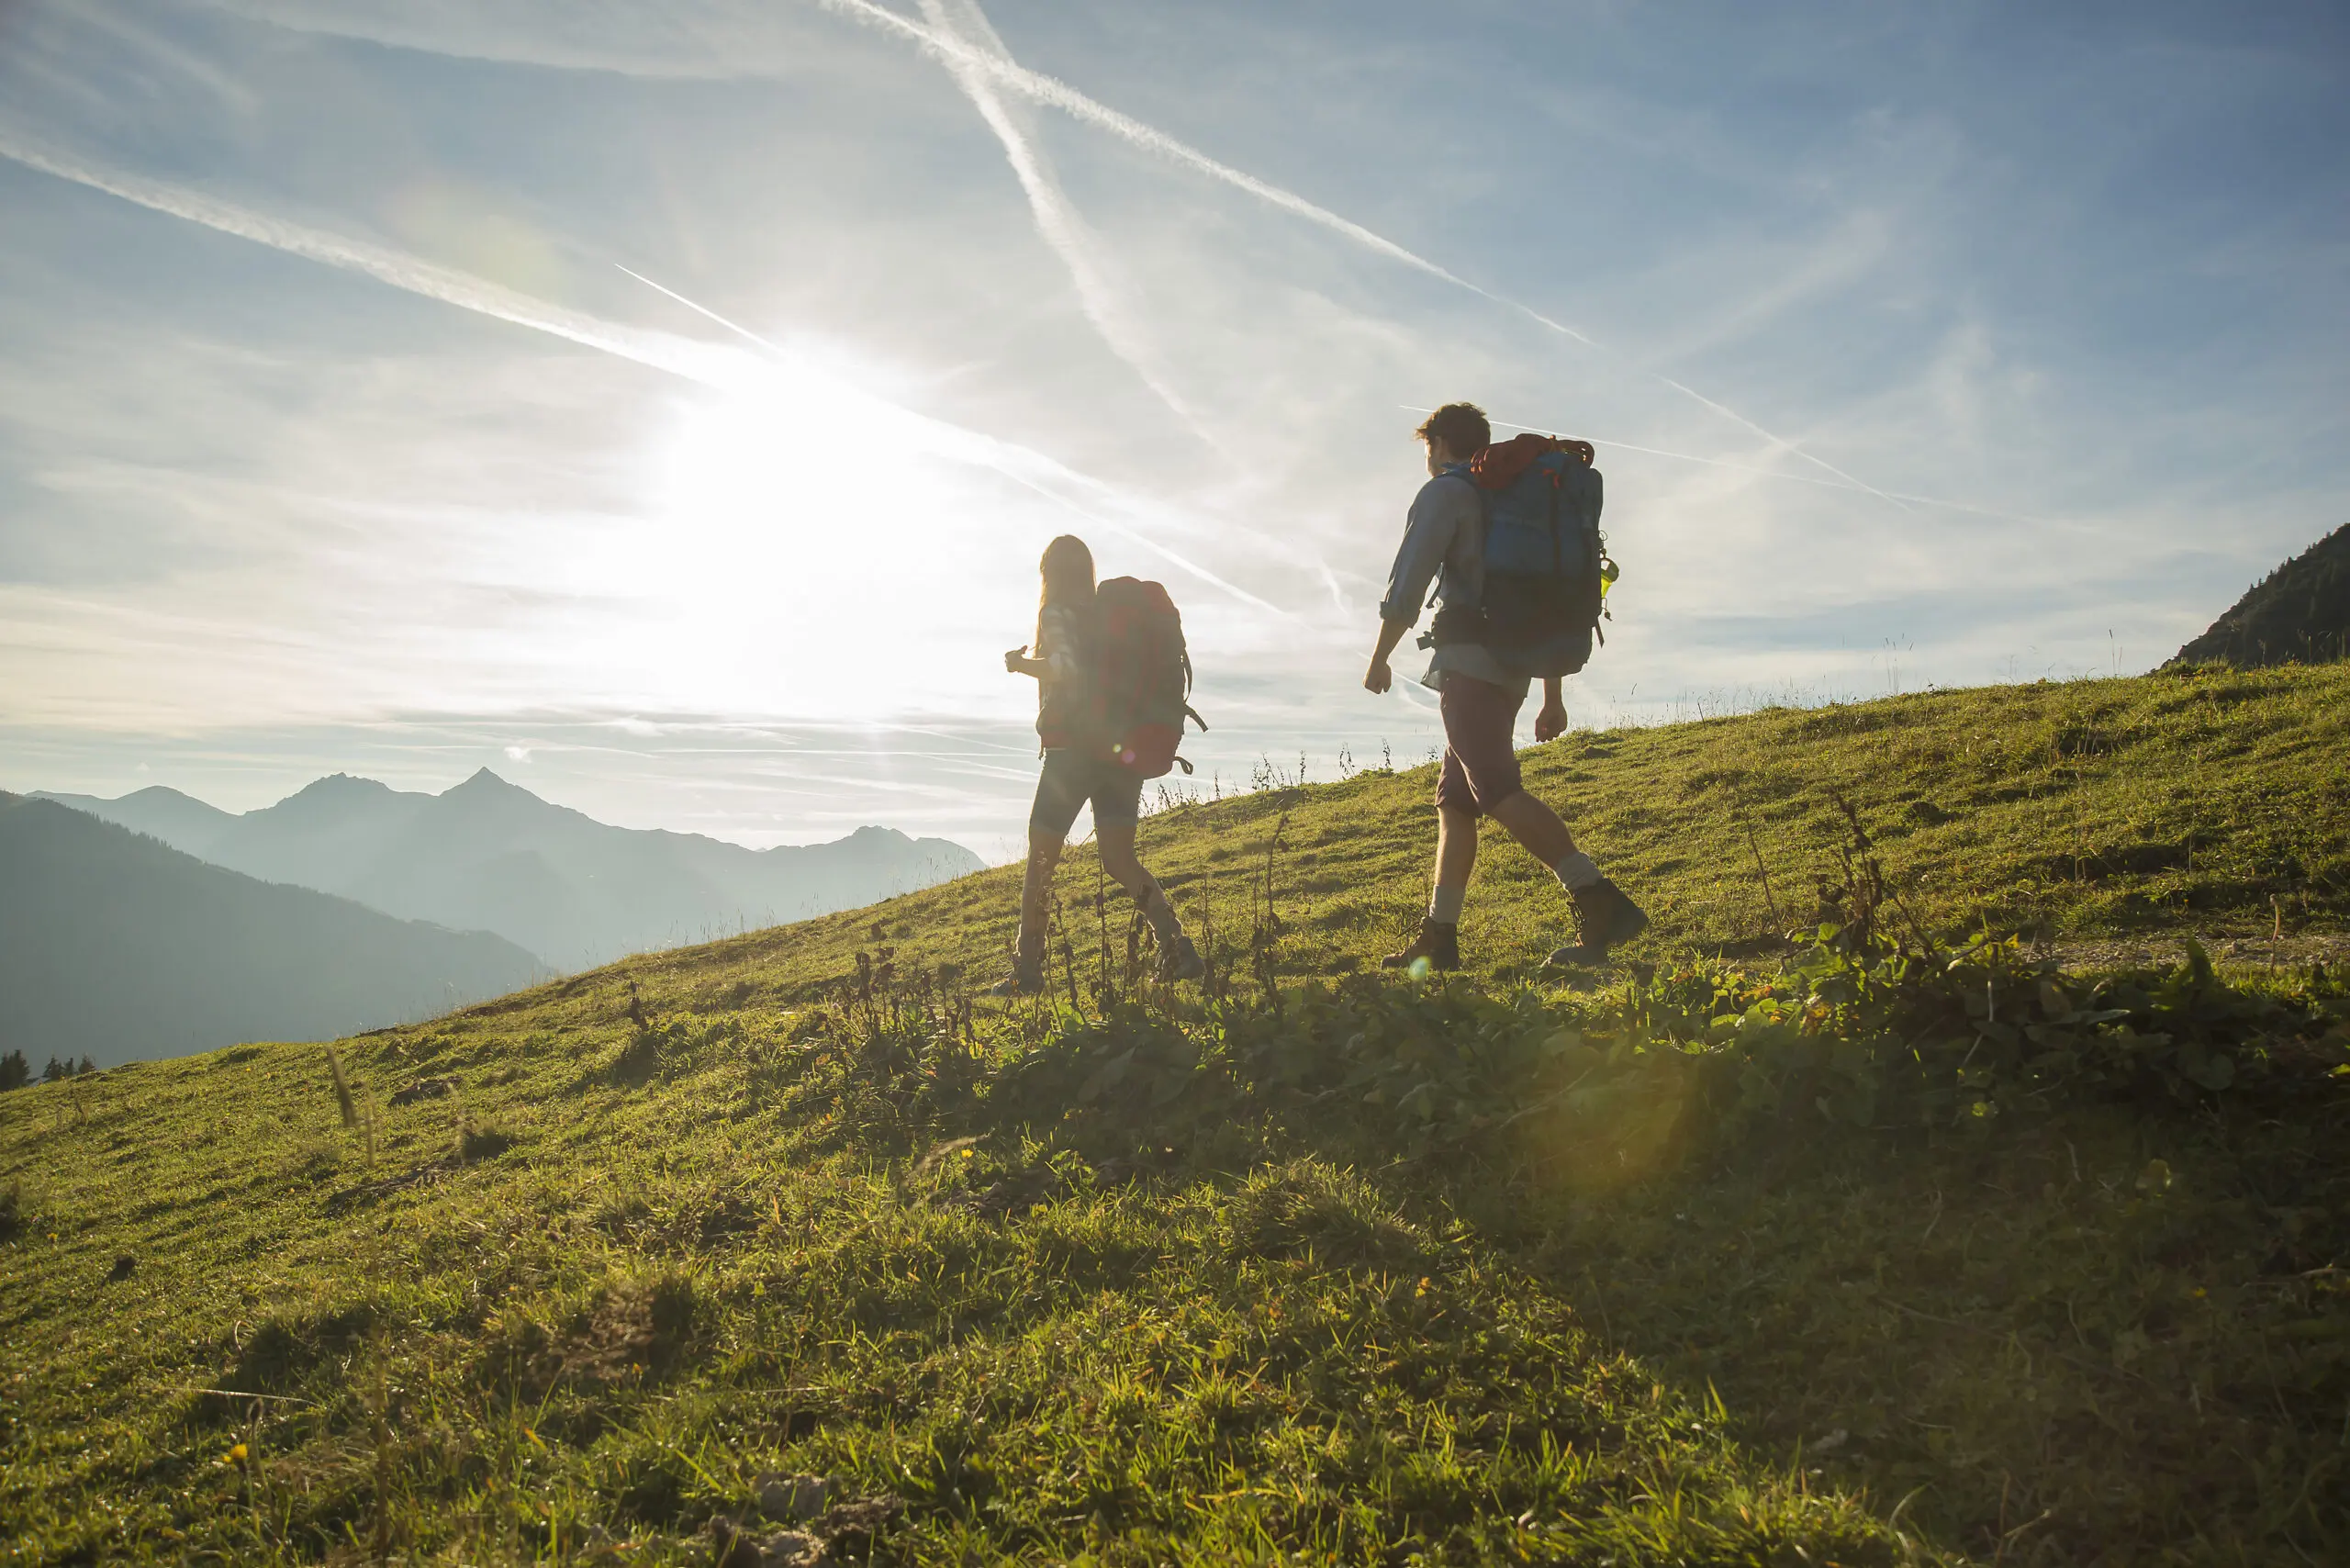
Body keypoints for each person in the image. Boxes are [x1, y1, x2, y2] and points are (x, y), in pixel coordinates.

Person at [1363, 402, 1648, 971]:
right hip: (1514, 664)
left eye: (1427, 448)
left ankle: (1598, 899)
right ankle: (1440, 937)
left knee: (1494, 789)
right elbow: (1539, 596)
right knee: (1457, 802)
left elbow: (1409, 583)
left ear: (1438, 443)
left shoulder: (1447, 492)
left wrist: (1379, 658)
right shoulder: (1509, 496)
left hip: (1471, 663)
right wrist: (1551, 695)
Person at [993, 534, 1205, 995]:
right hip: (1119, 753)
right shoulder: (1107, 618)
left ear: (1049, 573)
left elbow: (1064, 668)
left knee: (1042, 862)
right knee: (1120, 858)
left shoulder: (1058, 614)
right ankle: (1177, 949)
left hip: (1072, 755)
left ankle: (1027, 971)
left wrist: (1022, 666)